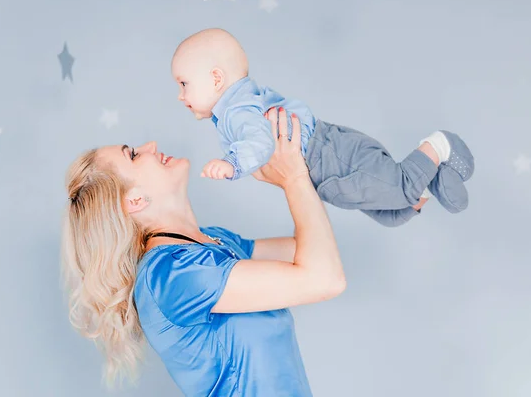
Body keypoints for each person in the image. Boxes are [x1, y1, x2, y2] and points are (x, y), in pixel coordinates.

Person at [60, 107, 346, 396]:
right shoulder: (170, 276)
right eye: (133, 155)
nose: (150, 147)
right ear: (134, 199)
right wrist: (294, 178)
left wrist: (301, 168)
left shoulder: (214, 240)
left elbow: (315, 252)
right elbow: (325, 278)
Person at [171, 28, 475, 227]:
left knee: (400, 188)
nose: (181, 95)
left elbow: (259, 142)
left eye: (184, 84)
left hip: (330, 156)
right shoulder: (234, 111)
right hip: (327, 171)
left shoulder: (238, 110)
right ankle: (432, 182)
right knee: (393, 215)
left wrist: (231, 164)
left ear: (216, 79)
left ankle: (439, 145)